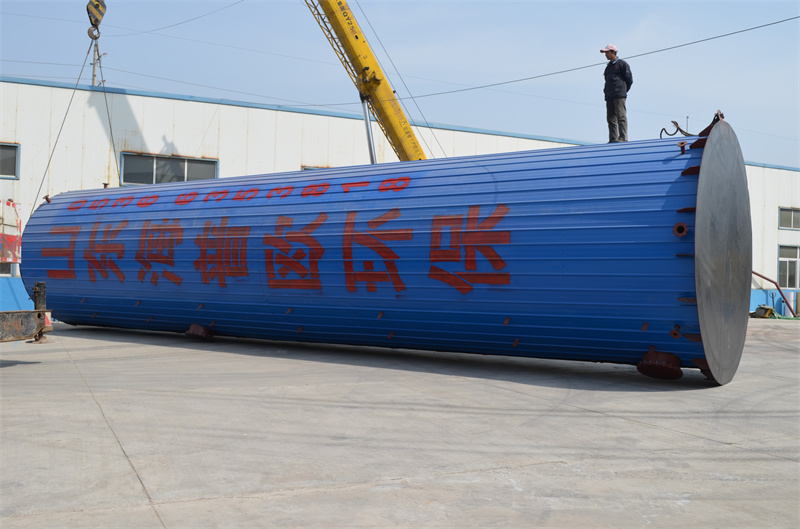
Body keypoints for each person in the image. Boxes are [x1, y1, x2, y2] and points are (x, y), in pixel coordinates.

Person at [600, 44, 633, 142]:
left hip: (619, 95)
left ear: (613, 52)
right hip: (609, 95)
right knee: (611, 119)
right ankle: (613, 138)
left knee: (621, 116)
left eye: (607, 52)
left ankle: (623, 137)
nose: (605, 54)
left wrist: (622, 90)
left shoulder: (622, 64)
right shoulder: (608, 67)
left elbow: (629, 79)